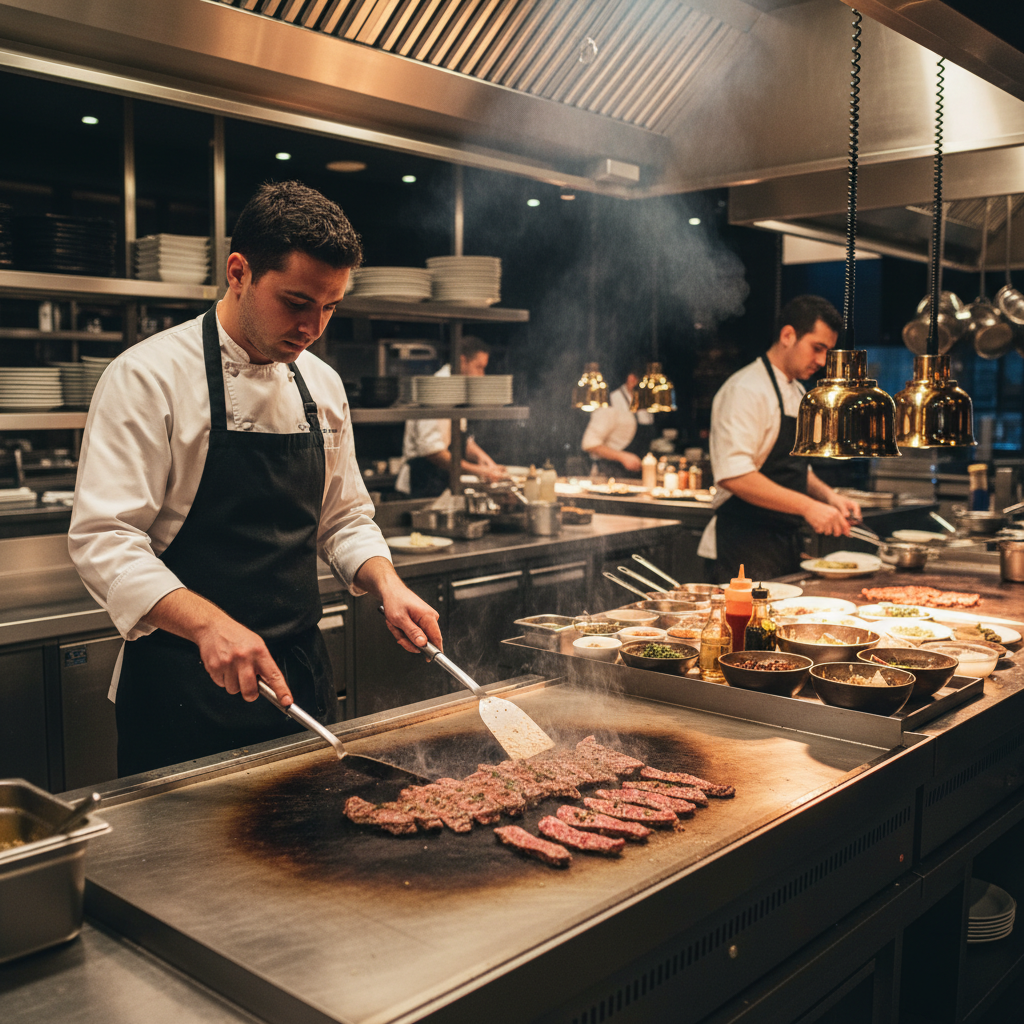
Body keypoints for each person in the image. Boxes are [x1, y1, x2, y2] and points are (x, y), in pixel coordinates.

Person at [69, 180, 443, 776]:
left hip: (299, 681)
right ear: (238, 272)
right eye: (296, 302)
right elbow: (105, 540)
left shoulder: (321, 384)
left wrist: (387, 584)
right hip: (184, 687)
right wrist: (211, 623)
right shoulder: (147, 378)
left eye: (330, 307)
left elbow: (343, 517)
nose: (312, 326)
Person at [697, 295, 863, 581]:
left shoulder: (798, 392)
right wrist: (809, 507)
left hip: (784, 545)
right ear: (788, 335)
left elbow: (794, 467)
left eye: (827, 352)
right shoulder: (746, 389)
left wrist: (828, 497)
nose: (822, 361)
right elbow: (734, 475)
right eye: (817, 348)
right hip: (741, 547)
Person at [395, 337, 505, 498]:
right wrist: (480, 471)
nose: (482, 376)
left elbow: (456, 437)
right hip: (422, 483)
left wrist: (482, 458)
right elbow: (432, 451)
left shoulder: (457, 390)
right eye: (479, 367)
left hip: (440, 482)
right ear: (462, 361)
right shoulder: (440, 389)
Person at [580, 364, 656, 476]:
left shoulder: (647, 405)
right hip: (611, 473)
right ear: (632, 380)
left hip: (641, 474)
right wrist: (623, 457)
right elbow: (589, 443)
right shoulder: (612, 403)